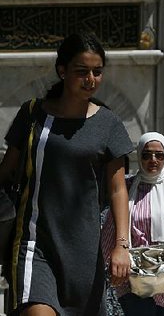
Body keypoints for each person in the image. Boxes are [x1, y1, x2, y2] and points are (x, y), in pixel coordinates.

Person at [0, 32, 133, 315]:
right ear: (62, 71)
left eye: (97, 72)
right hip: (34, 243)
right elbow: (5, 174)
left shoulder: (108, 124)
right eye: (81, 71)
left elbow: (118, 190)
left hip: (84, 253)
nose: (91, 79)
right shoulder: (33, 114)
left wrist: (122, 246)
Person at [101, 132, 164, 315]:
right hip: (135, 277)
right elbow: (111, 227)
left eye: (159, 155)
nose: (153, 160)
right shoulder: (126, 187)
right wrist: (110, 264)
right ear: (139, 156)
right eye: (146, 155)